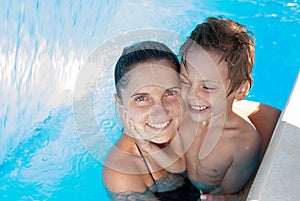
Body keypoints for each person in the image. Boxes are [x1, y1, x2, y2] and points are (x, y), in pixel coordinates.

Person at [102, 41, 199, 201]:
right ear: (121, 104)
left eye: (170, 93)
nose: (159, 113)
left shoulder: (197, 114)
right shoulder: (122, 171)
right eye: (141, 98)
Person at [178, 16, 263, 199]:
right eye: (185, 81)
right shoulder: (177, 112)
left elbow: (228, 194)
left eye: (207, 87)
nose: (192, 95)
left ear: (241, 90)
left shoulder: (243, 144)